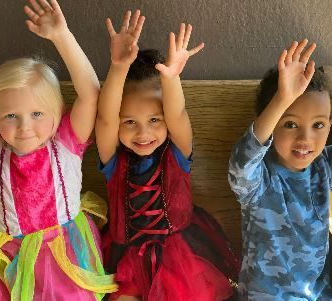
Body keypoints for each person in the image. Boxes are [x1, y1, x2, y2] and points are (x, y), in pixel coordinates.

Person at [0, 0, 117, 299]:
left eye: (37, 114)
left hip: (61, 254)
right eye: (11, 116)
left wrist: (62, 36)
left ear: (57, 111)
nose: (25, 127)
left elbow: (91, 93)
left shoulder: (66, 139)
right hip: (6, 254)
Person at [96, 10, 239, 301]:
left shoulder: (177, 152)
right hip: (126, 259)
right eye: (130, 122)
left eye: (154, 120)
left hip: (181, 258)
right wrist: (117, 68)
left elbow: (176, 113)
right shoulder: (113, 160)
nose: (143, 133)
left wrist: (172, 78)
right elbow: (106, 119)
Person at [228, 39, 332, 300]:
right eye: (290, 124)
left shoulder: (324, 166)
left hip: (317, 294)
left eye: (318, 125)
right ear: (272, 122)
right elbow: (241, 164)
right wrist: (282, 99)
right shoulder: (258, 180)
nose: (305, 139)